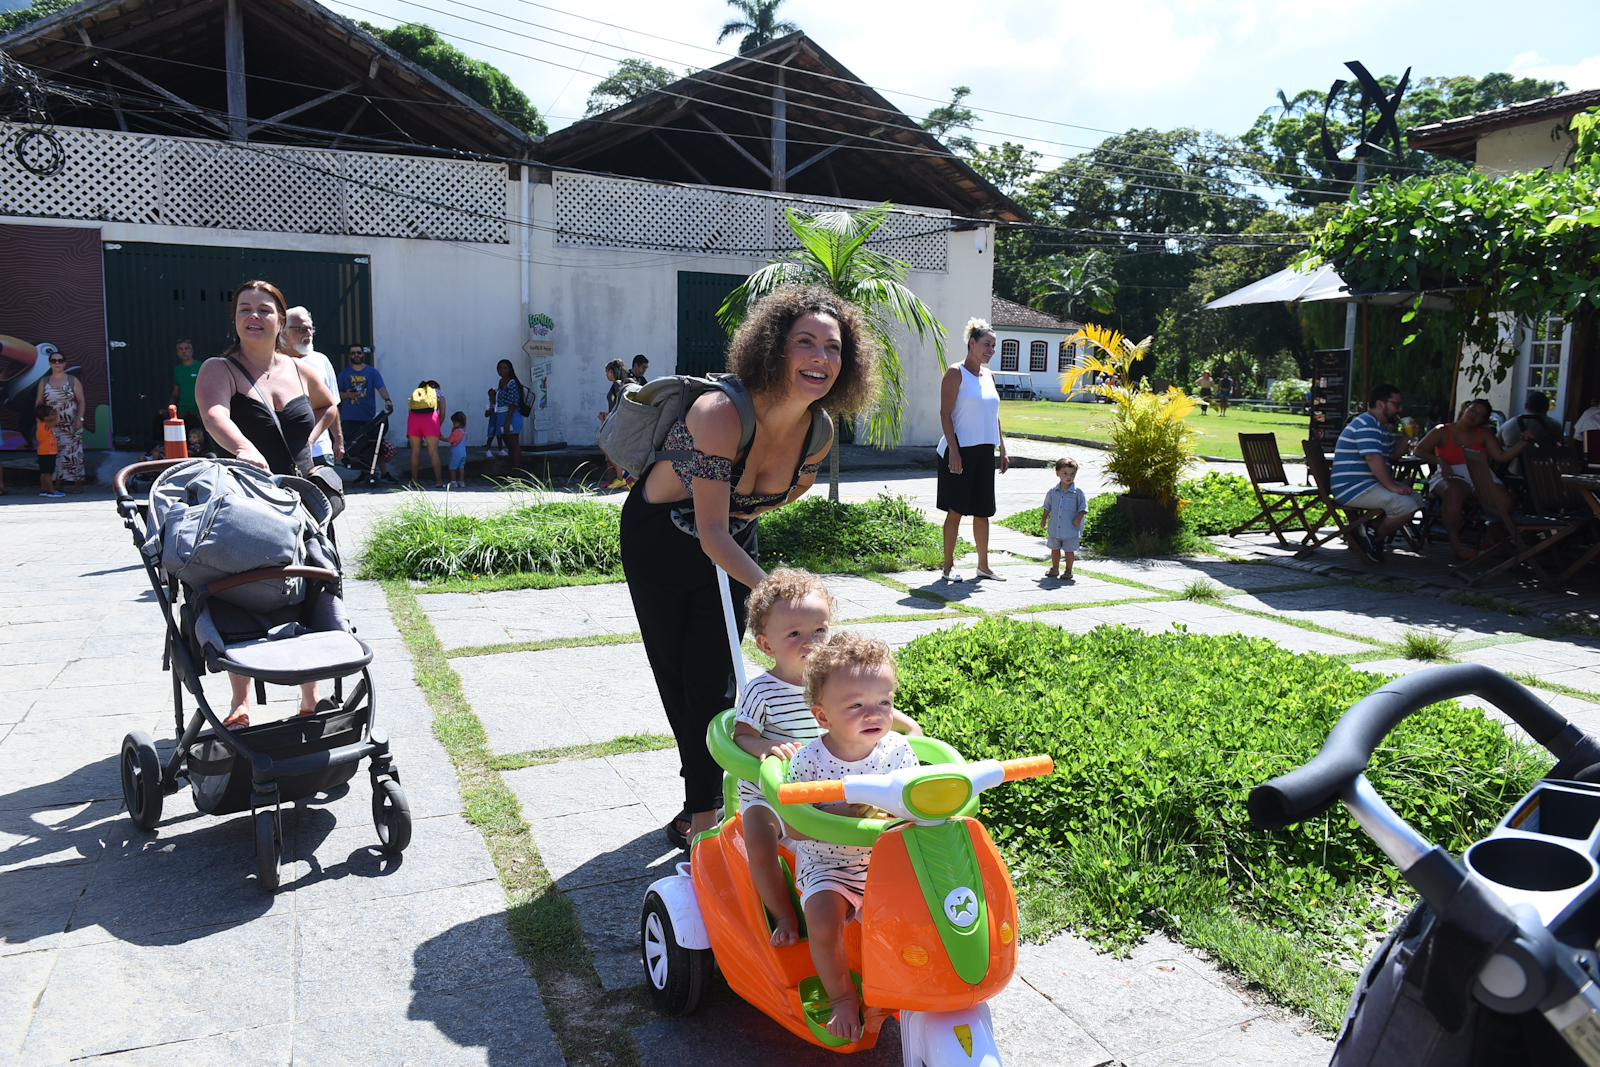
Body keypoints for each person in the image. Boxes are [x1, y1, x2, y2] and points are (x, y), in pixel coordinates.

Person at [622, 284, 875, 852]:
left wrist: (755, 552)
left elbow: (769, 501)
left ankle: (710, 802)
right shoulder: (718, 413)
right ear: (772, 348)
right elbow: (708, 530)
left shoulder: (818, 433)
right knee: (680, 674)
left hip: (727, 534)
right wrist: (781, 598)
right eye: (805, 342)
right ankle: (703, 809)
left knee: (716, 675)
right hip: (661, 537)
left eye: (833, 348)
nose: (820, 358)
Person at [194, 280, 339, 727]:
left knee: (310, 588)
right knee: (244, 592)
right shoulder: (219, 368)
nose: (253, 317)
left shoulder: (298, 369)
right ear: (234, 319)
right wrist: (242, 448)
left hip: (300, 501)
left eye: (263, 310)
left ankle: (310, 699)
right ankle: (241, 701)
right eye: (244, 309)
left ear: (280, 321)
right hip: (243, 500)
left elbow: (328, 405)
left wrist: (311, 448)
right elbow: (214, 413)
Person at [787, 632, 920, 1042]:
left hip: (885, 862)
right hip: (828, 862)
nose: (874, 713)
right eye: (857, 705)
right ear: (823, 716)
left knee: (919, 916)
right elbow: (792, 827)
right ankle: (843, 996)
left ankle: (918, 978)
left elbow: (916, 801)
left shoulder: (896, 751)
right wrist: (838, 811)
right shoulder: (809, 761)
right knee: (824, 923)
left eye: (884, 701)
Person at [733, 569, 832, 948]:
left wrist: (900, 723)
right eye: (794, 634)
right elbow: (742, 736)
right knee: (759, 842)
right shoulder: (761, 691)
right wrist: (766, 750)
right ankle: (783, 915)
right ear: (766, 645)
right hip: (767, 793)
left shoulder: (833, 682)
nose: (811, 642)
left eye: (819, 630)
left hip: (819, 784)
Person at [1415, 397, 1533, 560]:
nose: (1474, 415)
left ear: (1483, 420)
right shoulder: (1442, 430)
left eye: (1480, 415)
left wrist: (1522, 444)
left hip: (1480, 474)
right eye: (1472, 410)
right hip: (1451, 474)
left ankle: (1489, 539)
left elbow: (1501, 456)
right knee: (1454, 493)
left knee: (1506, 501)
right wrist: (1440, 460)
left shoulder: (1484, 434)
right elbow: (1419, 450)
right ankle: (1456, 542)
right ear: (1465, 408)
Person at [937, 318, 1009, 582]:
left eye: (994, 346)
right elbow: (945, 413)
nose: (991, 350)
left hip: (983, 451)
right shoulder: (955, 373)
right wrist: (954, 451)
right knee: (955, 510)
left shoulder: (989, 375)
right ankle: (948, 566)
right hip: (959, 450)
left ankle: (983, 566)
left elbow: (994, 414)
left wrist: (1002, 448)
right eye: (986, 344)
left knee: (983, 511)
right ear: (972, 343)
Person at [1330, 383, 1422, 562]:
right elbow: (1373, 458)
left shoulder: (1378, 426)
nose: (1400, 409)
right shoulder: (1366, 424)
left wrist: (1406, 436)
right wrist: (1392, 485)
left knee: (1416, 500)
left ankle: (1370, 529)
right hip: (1353, 488)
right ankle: (1375, 537)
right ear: (1381, 404)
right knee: (1406, 505)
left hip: (1365, 486)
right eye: (1396, 404)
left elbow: (1394, 454)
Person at [285, 307, 344, 468]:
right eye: (302, 329)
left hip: (320, 451)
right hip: (287, 453)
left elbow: (331, 404)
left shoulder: (321, 360)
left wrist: (338, 439)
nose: (309, 334)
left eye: (311, 329)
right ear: (284, 332)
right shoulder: (272, 363)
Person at [337, 345, 393, 481]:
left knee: (374, 445)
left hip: (368, 416)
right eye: (353, 353)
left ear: (363, 354)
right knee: (356, 447)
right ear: (349, 355)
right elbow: (335, 394)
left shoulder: (372, 372)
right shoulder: (344, 374)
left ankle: (382, 473)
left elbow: (381, 388)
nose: (356, 355)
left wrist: (387, 400)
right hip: (350, 417)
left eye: (358, 352)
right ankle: (364, 472)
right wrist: (346, 395)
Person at [33, 349, 85, 493]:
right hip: (50, 423)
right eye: (54, 361)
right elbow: (39, 402)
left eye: (60, 361)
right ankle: (57, 484)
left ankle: (77, 483)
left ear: (65, 363)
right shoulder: (44, 381)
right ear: (50, 363)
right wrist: (40, 423)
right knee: (54, 453)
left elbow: (81, 401)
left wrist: (80, 418)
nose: (57, 363)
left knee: (74, 452)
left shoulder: (72, 380)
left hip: (71, 422)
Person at [1041, 457, 1087, 581]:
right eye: (1065, 473)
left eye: (1072, 474)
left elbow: (1083, 507)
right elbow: (1047, 507)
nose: (1069, 477)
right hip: (1055, 527)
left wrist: (1079, 517)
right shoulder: (1052, 491)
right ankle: (1055, 568)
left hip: (1070, 529)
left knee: (1069, 550)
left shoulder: (1078, 492)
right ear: (1057, 473)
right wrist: (1044, 519)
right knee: (1054, 549)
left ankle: (1068, 570)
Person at [599, 358, 632, 489]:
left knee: (609, 448)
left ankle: (622, 477)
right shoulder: (619, 383)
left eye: (606, 372)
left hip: (615, 421)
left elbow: (619, 402)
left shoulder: (617, 384)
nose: (606, 375)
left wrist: (610, 416)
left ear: (611, 371)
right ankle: (617, 478)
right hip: (613, 419)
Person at [406, 379, 446, 488]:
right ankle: (438, 481)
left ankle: (414, 481)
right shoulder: (438, 393)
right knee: (433, 452)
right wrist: (437, 427)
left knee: (414, 452)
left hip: (414, 419)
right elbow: (442, 412)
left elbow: (410, 410)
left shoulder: (417, 393)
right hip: (431, 419)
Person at [485, 359, 525, 469]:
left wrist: (507, 421)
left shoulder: (512, 383)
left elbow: (512, 403)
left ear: (510, 369)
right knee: (509, 447)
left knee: (514, 446)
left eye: (505, 368)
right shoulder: (501, 382)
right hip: (501, 416)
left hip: (510, 417)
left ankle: (516, 474)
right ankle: (512, 472)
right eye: (500, 368)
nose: (502, 370)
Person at [170, 339, 201, 439]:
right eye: (181, 349)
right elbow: (176, 391)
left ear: (191, 351)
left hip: (198, 412)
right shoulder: (177, 369)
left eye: (186, 348)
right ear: (177, 352)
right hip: (182, 411)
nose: (184, 351)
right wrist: (170, 408)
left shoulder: (201, 366)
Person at [35, 402, 61, 497]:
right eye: (51, 414)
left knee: (43, 472)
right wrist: (57, 411)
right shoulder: (46, 425)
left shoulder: (40, 424)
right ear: (46, 418)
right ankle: (51, 490)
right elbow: (57, 420)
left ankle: (43, 489)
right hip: (48, 452)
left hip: (42, 452)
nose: (53, 415)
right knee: (48, 472)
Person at [446, 411, 468, 489]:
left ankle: (453, 482)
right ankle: (461, 482)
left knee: (453, 467)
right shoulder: (464, 431)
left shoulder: (457, 431)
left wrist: (441, 438)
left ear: (457, 422)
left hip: (456, 452)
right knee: (461, 467)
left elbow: (450, 440)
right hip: (463, 452)